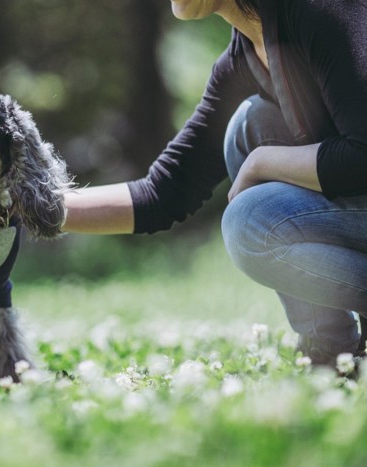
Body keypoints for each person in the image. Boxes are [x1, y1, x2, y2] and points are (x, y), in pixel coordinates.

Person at [62, 0, 367, 366]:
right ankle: (332, 352)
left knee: (251, 223)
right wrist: (27, 205)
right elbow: (165, 193)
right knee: (247, 126)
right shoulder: (245, 56)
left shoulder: (319, 11)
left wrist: (263, 161)